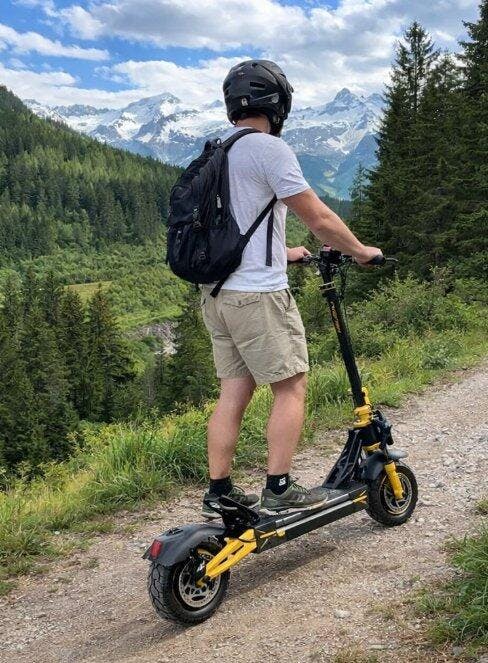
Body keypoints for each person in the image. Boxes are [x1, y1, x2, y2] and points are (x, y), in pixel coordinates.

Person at [201, 60, 382, 518]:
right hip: (258, 296)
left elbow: (233, 224)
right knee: (291, 386)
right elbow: (318, 218)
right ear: (277, 104)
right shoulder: (269, 149)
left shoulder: (215, 151)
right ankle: (279, 488)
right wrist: (362, 251)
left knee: (233, 393)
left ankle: (219, 490)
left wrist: (283, 252)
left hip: (218, 294)